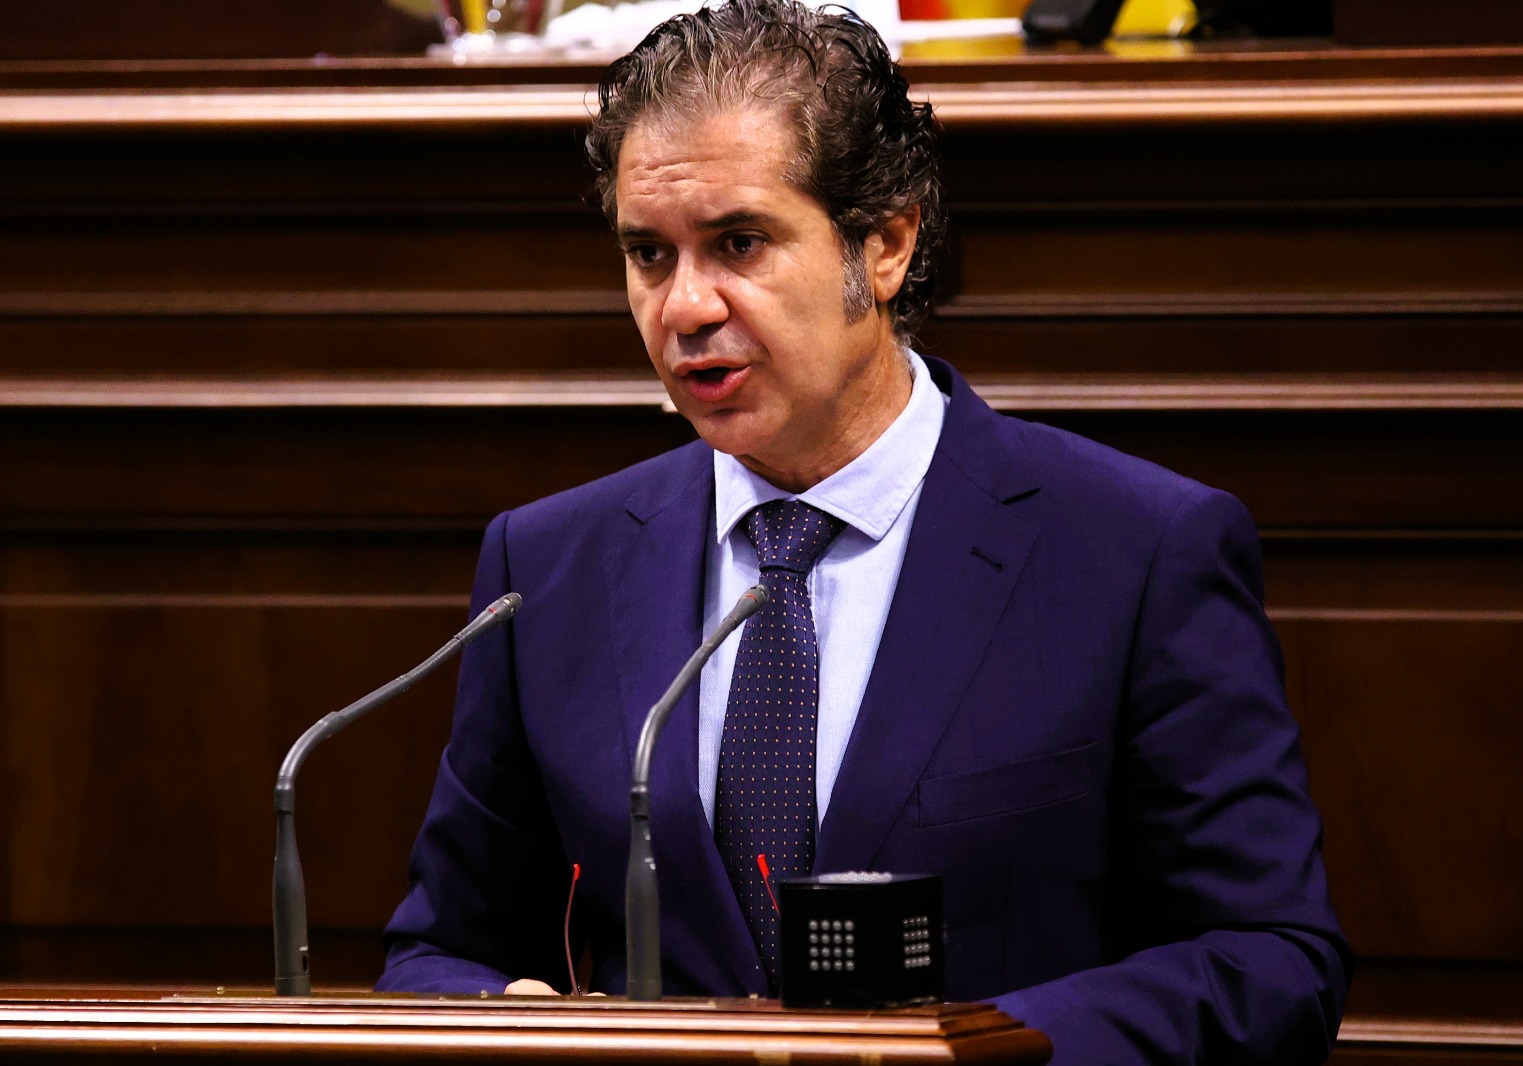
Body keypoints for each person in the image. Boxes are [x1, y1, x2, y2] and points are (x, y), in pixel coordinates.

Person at [376, 0, 1351, 1060]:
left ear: (884, 245)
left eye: (739, 243)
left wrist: (973, 1049)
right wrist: (511, 1019)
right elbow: (439, 949)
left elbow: (1271, 960)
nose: (685, 307)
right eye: (649, 254)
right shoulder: (549, 566)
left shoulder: (1135, 551)